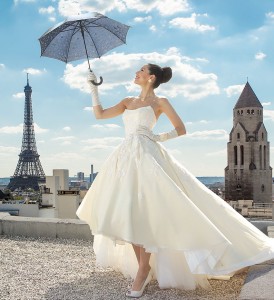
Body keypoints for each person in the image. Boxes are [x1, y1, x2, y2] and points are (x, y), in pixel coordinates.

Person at [76, 64, 274, 298]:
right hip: (125, 159)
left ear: (151, 78)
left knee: (148, 210)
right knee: (129, 210)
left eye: (140, 70)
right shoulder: (127, 100)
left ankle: (143, 269)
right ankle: (143, 266)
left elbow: (181, 129)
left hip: (148, 156)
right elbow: (100, 115)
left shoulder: (160, 102)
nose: (135, 73)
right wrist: (93, 90)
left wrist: (157, 136)